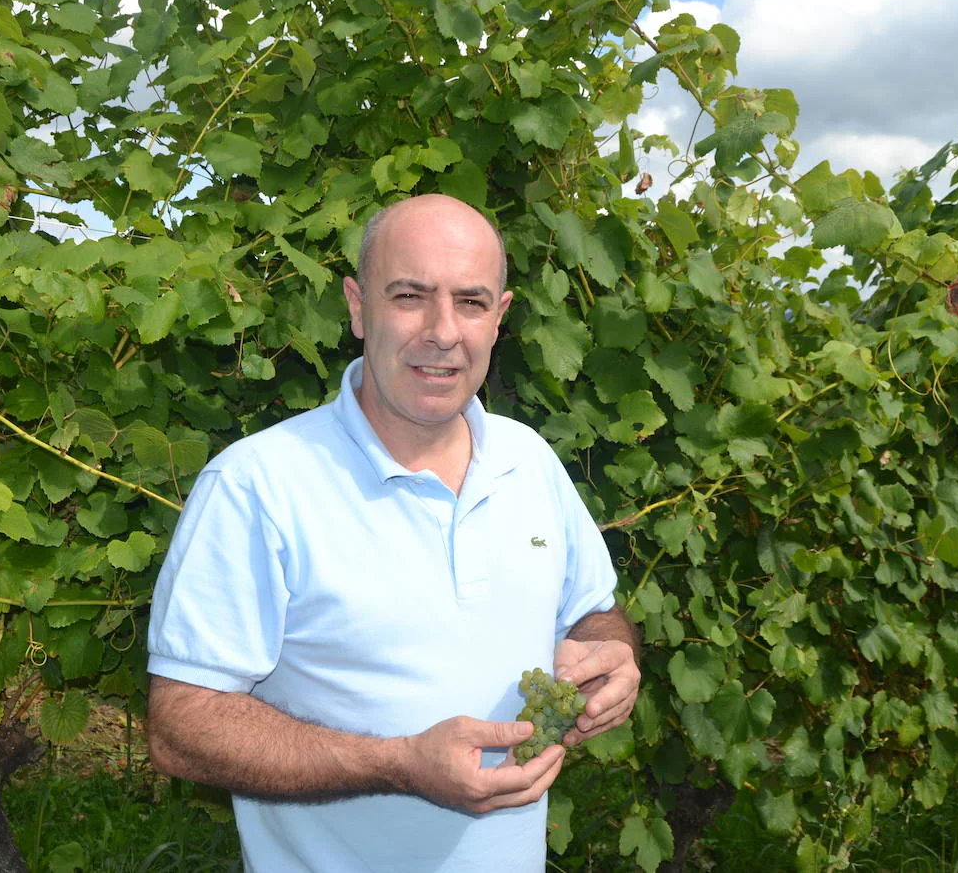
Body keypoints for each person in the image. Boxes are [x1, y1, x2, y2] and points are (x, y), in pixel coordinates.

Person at [146, 194, 641, 872]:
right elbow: (180, 726)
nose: (443, 331)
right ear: (356, 307)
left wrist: (611, 660)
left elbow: (595, 614)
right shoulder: (258, 486)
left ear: (499, 318)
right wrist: (400, 764)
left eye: (471, 302)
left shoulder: (530, 463)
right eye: (410, 296)